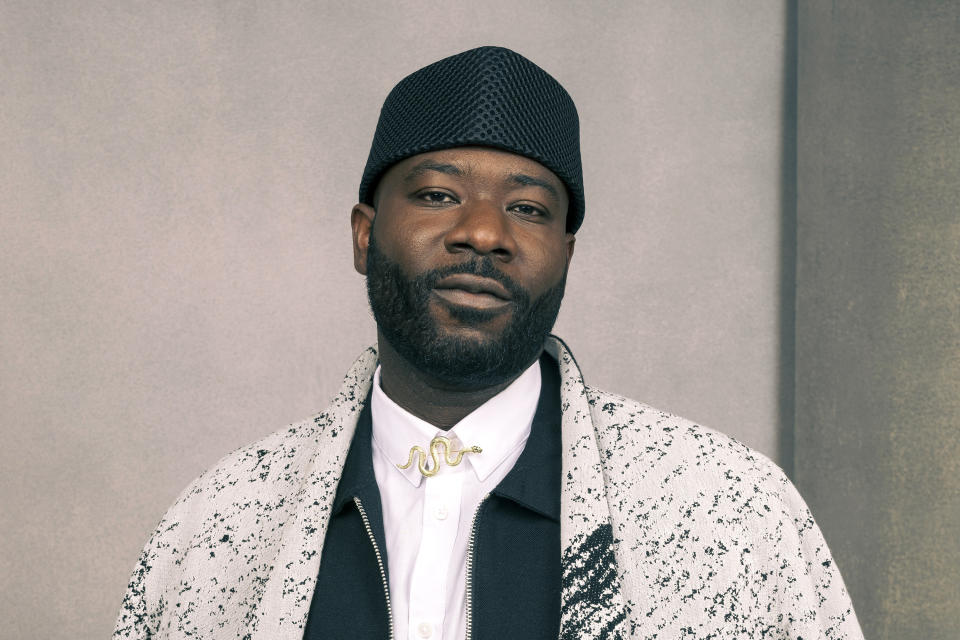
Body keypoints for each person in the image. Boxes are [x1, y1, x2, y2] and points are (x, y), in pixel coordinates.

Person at [114, 46, 864, 640]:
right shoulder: (222, 524)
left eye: (529, 207)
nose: (484, 232)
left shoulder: (728, 512)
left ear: (566, 256)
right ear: (365, 235)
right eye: (438, 194)